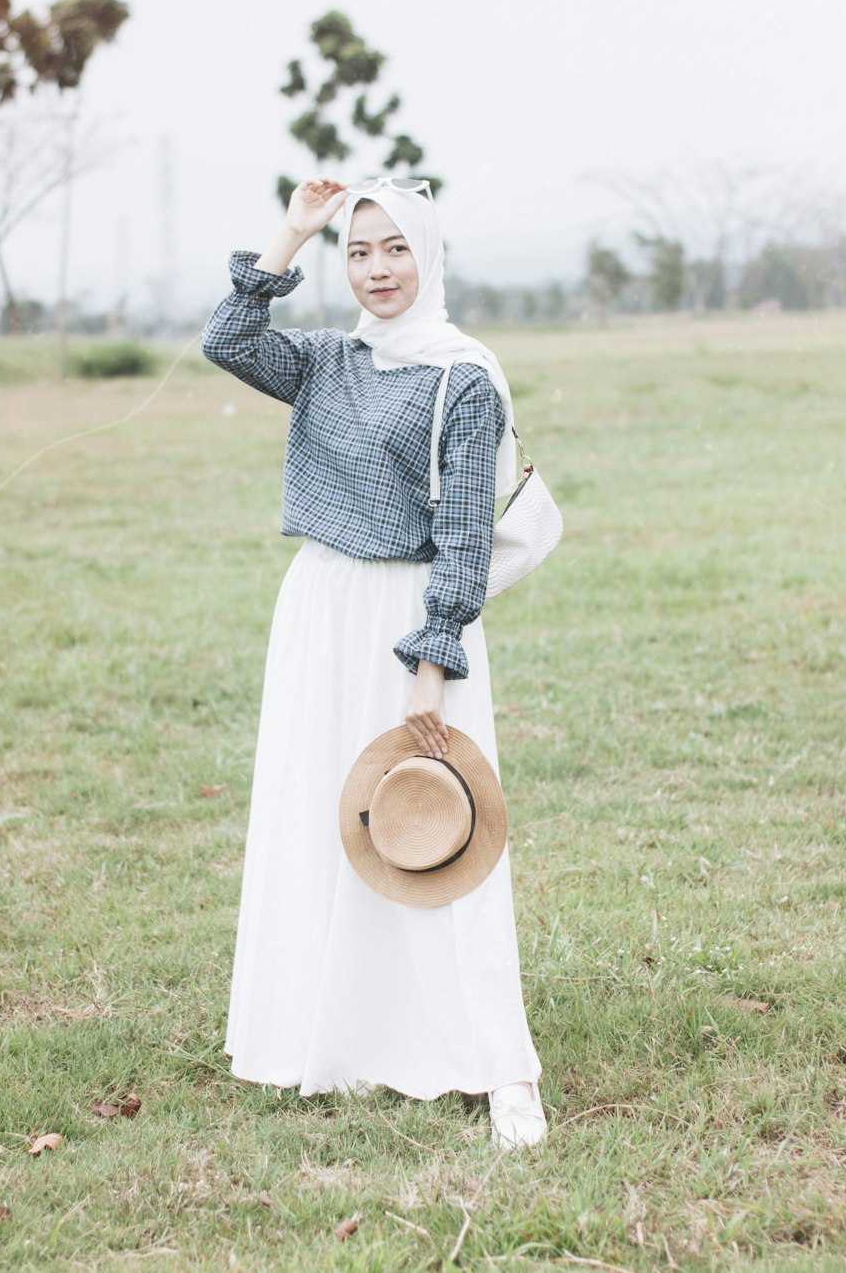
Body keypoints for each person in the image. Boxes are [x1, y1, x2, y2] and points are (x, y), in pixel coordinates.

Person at [200, 175, 547, 1150]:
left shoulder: (463, 377)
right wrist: (291, 232)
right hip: (319, 611)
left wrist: (432, 663)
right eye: (358, 252)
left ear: (428, 255)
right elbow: (226, 342)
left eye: (395, 247)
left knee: (440, 827)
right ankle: (337, 1037)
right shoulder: (326, 360)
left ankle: (498, 1064)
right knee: (327, 819)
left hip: (412, 620)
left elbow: (467, 538)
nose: (377, 269)